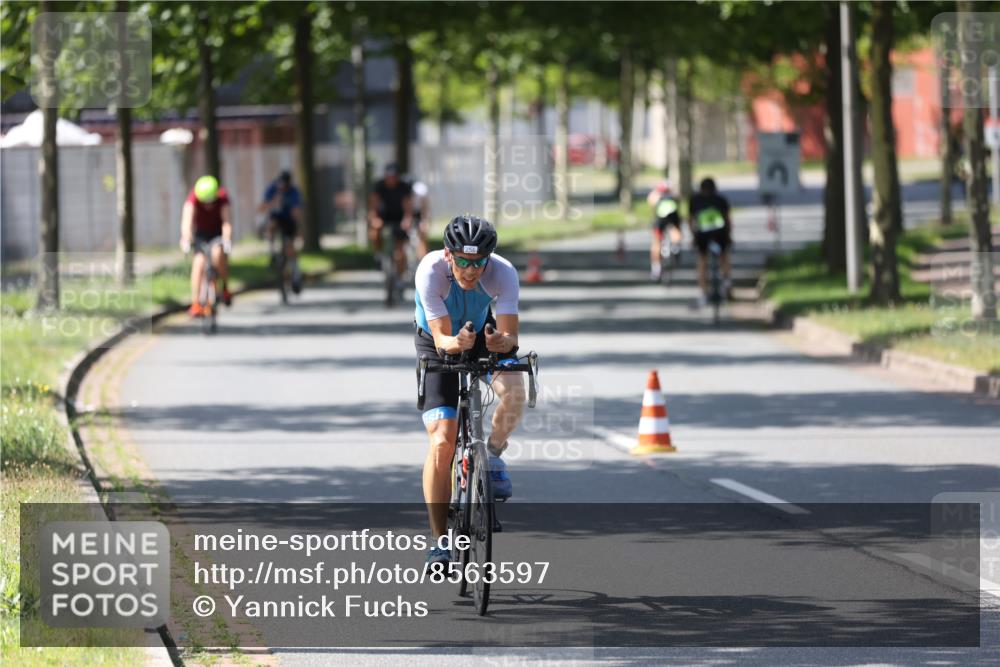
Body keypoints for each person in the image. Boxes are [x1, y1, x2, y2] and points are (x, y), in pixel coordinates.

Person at [414, 215, 525, 569]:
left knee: (515, 392)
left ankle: (490, 454)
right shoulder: (430, 271)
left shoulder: (504, 272)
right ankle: (439, 543)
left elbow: (511, 338)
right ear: (449, 255)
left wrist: (498, 342)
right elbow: (443, 337)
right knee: (443, 441)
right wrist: (455, 342)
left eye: (479, 262)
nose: (470, 270)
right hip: (437, 341)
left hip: (480, 331)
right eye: (462, 261)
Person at [179, 175, 232, 316]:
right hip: (201, 234)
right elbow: (187, 220)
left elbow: (226, 221)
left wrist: (227, 239)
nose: (208, 205)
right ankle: (196, 302)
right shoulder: (193, 198)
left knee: (218, 255)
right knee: (198, 263)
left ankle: (224, 287)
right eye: (205, 202)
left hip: (217, 233)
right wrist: (185, 239)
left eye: (211, 202)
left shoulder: (222, 197)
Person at [688, 177, 733, 305]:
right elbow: (727, 220)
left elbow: (691, 220)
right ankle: (727, 283)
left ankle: (703, 292)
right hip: (720, 232)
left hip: (702, 233)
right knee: (723, 256)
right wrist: (729, 236)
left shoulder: (695, 200)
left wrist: (694, 236)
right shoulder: (721, 200)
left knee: (702, 259)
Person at [257, 170, 303, 293]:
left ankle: (296, 275)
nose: (283, 188)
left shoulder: (294, 192)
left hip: (288, 219)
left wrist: (298, 228)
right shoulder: (273, 188)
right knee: (271, 225)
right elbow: (261, 208)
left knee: (289, 247)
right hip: (276, 218)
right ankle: (272, 252)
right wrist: (273, 202)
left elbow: (296, 212)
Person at [368, 163, 414, 281]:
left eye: (394, 177)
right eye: (389, 176)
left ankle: (400, 276)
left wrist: (407, 220)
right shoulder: (379, 186)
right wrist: (374, 219)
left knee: (400, 251)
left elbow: (408, 208)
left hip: (399, 217)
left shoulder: (404, 187)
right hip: (384, 216)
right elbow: (373, 206)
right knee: (375, 230)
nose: (391, 179)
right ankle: (379, 255)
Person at [647, 180, 682, 282]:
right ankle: (676, 247)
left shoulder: (656, 195)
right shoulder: (673, 195)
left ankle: (656, 269)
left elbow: (650, 203)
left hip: (660, 219)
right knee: (675, 230)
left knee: (656, 241)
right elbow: (679, 200)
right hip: (673, 217)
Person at [408, 177, 431, 259]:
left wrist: (424, 222)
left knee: (422, 237)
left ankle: (423, 259)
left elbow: (425, 207)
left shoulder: (420, 190)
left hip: (419, 212)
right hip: (406, 212)